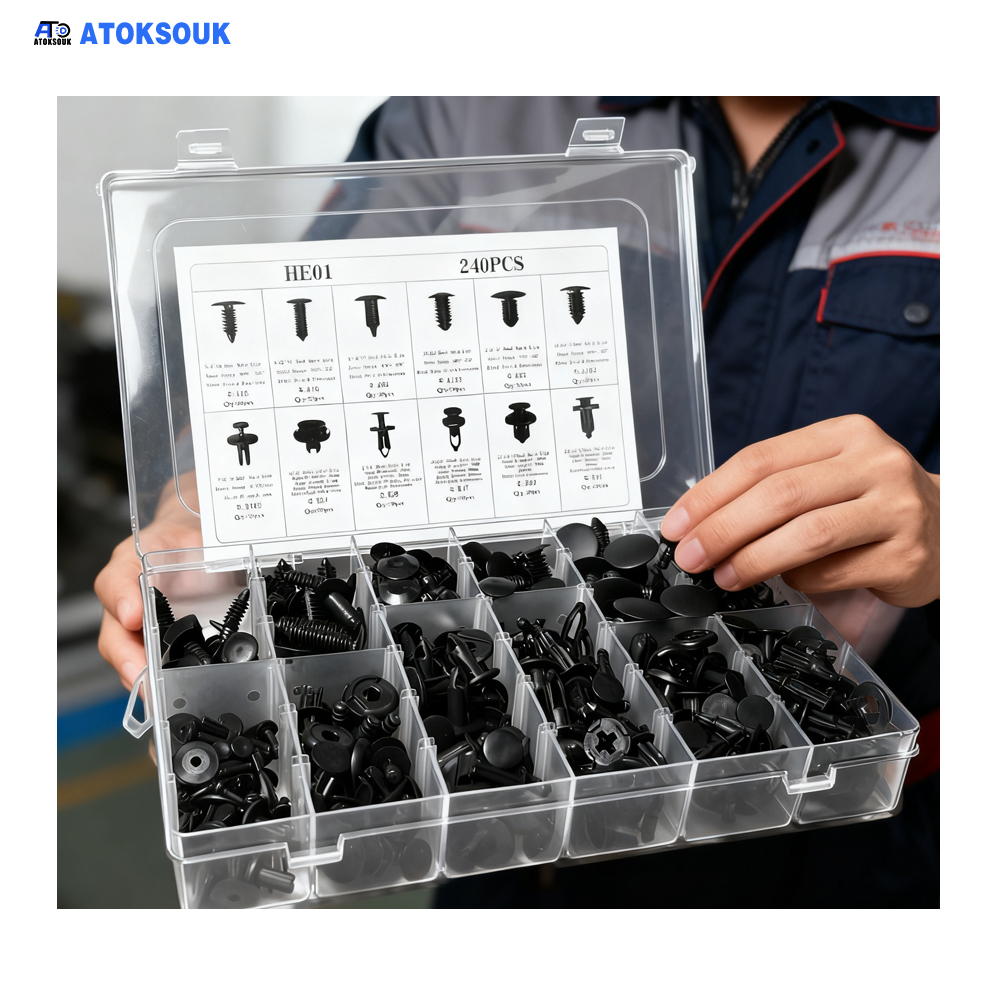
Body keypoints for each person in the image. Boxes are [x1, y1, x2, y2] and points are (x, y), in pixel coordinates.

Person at [95, 97, 939, 906]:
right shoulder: (468, 105)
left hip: (853, 825)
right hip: (504, 835)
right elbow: (286, 354)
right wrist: (200, 506)